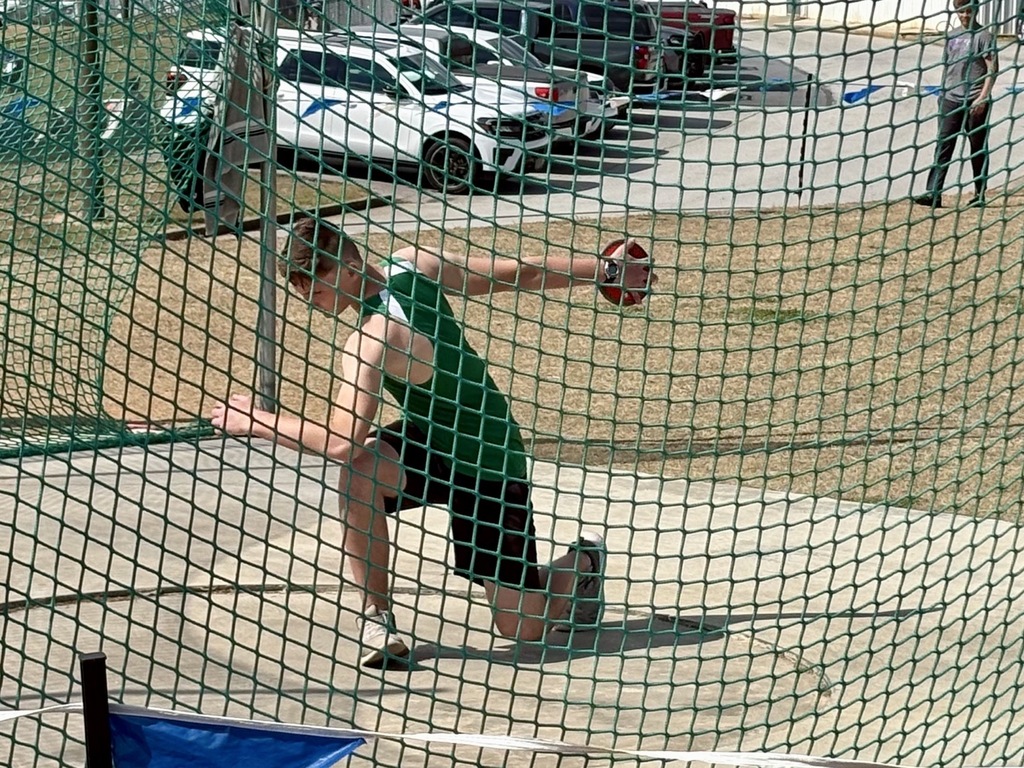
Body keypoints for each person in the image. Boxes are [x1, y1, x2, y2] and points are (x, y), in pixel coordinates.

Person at [210, 216, 655, 669]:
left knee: (523, 629)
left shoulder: (374, 338)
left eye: (316, 285)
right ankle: (377, 617)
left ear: (348, 264)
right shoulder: (410, 262)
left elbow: (341, 438)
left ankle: (584, 563)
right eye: (300, 287)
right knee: (359, 471)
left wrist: (256, 420)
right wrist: (608, 270)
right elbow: (527, 272)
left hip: (487, 458)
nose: (308, 298)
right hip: (430, 438)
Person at [914, 0, 999, 210]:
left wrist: (983, 97)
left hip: (974, 100)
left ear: (976, 11)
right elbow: (948, 66)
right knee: (943, 146)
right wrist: (942, 92)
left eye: (969, 11)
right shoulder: (952, 35)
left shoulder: (984, 36)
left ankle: (979, 194)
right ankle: (934, 193)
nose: (965, 15)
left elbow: (993, 68)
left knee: (977, 148)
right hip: (950, 99)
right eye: (961, 12)